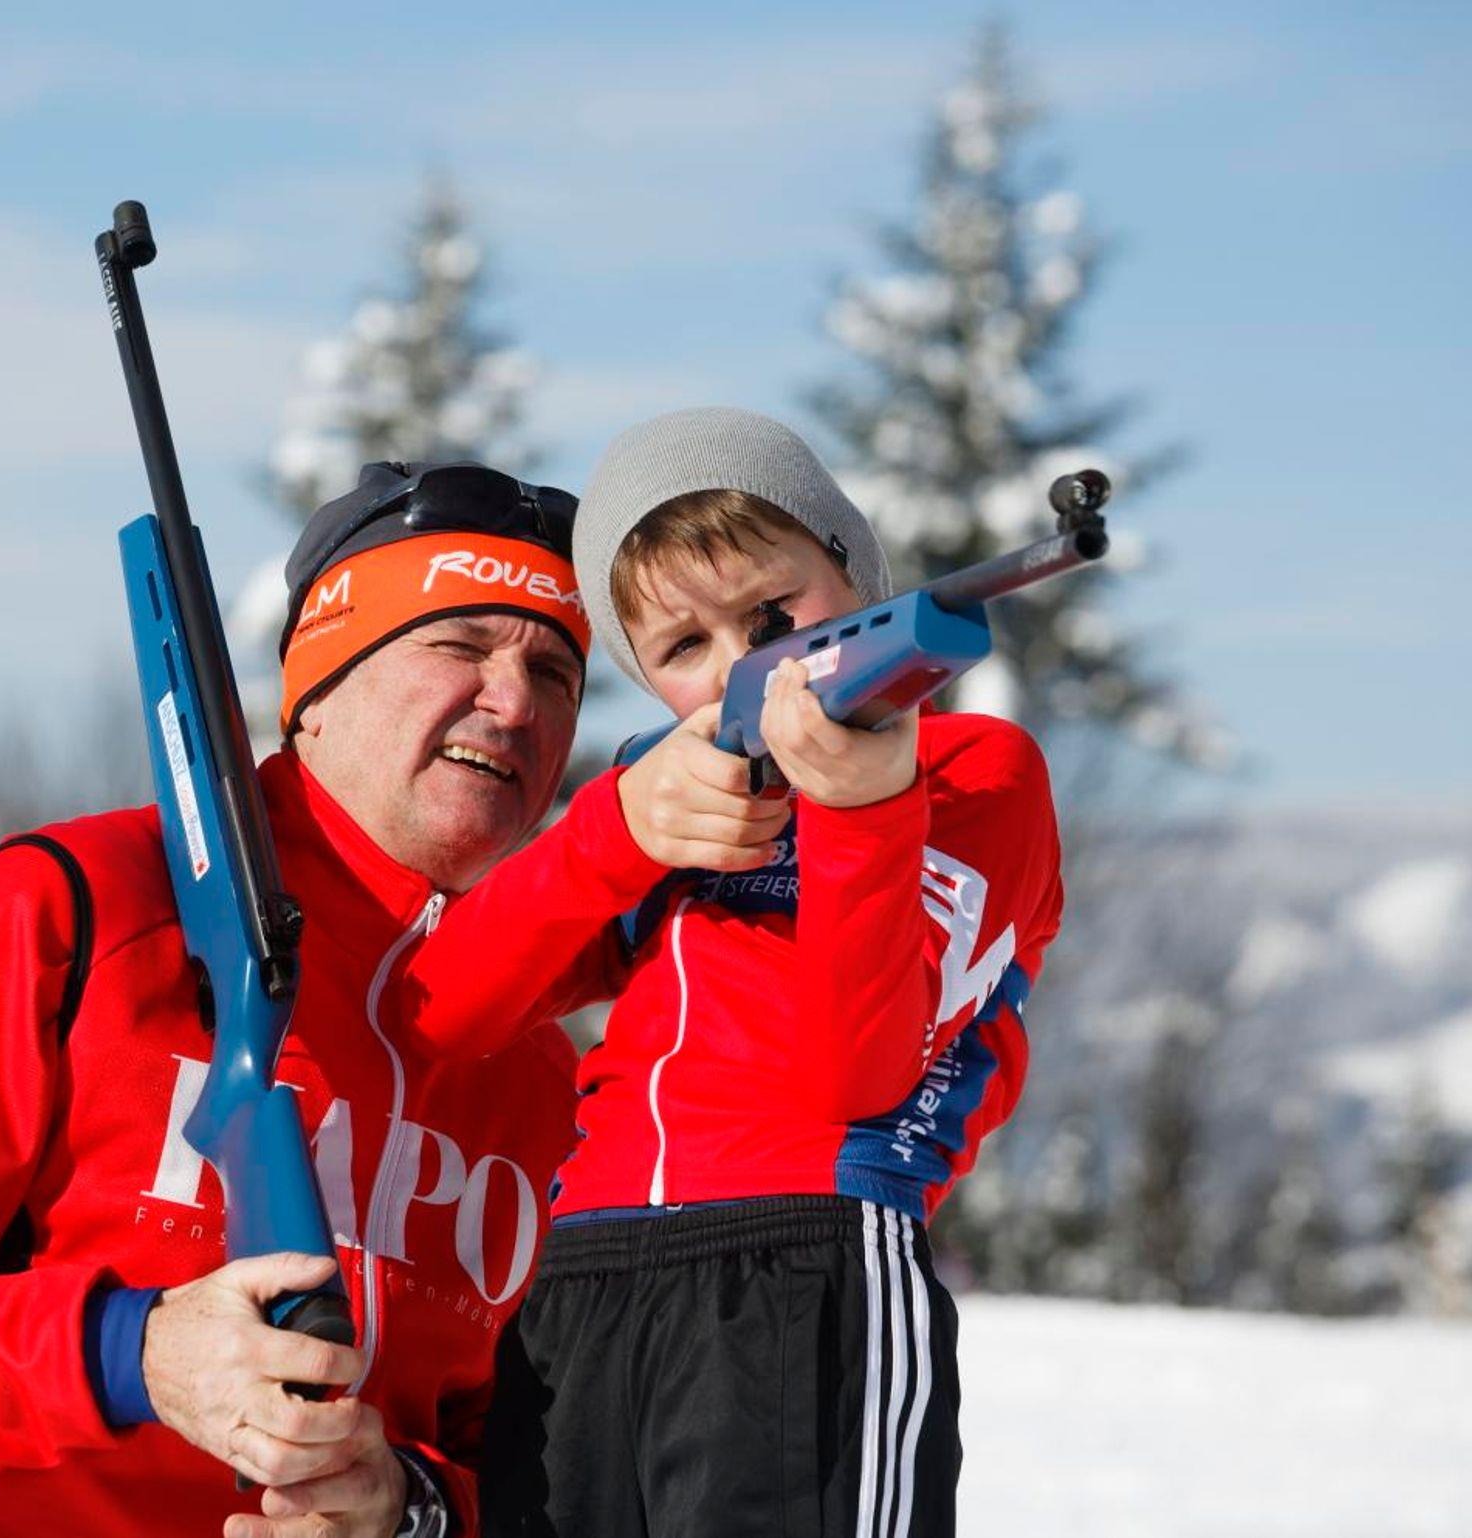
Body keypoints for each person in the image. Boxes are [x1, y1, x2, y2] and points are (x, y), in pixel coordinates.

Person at [0, 459, 767, 1538]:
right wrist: (135, 1351)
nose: (514, 702)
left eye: (554, 672)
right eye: (458, 645)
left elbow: (533, 1469)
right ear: (317, 688)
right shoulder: (68, 910)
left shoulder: (541, 1074)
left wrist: (409, 1506)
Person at [389, 409, 1065, 1537]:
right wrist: (614, 832)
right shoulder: (671, 792)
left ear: (854, 577)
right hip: (580, 1282)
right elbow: (443, 1006)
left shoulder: (971, 774)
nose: (742, 664)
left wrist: (861, 811)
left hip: (807, 1258)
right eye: (682, 648)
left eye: (770, 614)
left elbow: (857, 1072)